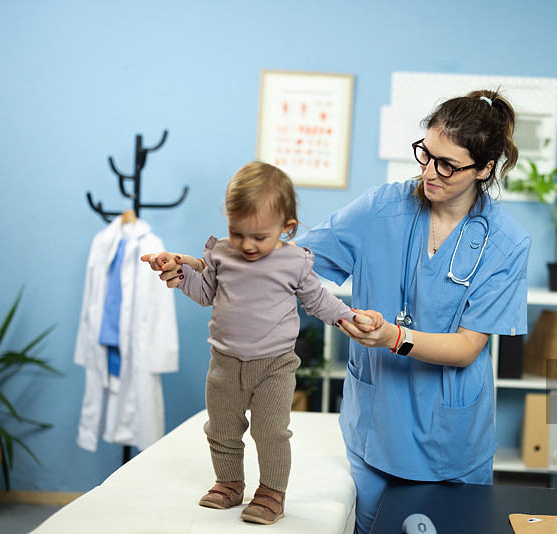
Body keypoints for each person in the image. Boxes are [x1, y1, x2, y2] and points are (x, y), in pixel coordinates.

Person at [295, 89, 531, 533]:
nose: (430, 172)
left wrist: (392, 338)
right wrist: (213, 266)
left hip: (452, 441)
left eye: (448, 165)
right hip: (376, 425)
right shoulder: (381, 207)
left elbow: (466, 348)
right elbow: (292, 261)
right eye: (426, 154)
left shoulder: (506, 242)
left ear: (484, 169)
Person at [140, 161, 381, 525]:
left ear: (287, 229)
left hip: (274, 365)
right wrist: (177, 269)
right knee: (221, 428)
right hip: (223, 362)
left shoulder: (294, 261)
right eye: (237, 233)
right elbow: (204, 292)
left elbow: (318, 300)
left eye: (259, 237)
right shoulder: (221, 253)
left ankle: (271, 492)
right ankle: (229, 482)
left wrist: (349, 316)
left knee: (269, 431)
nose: (247, 245)